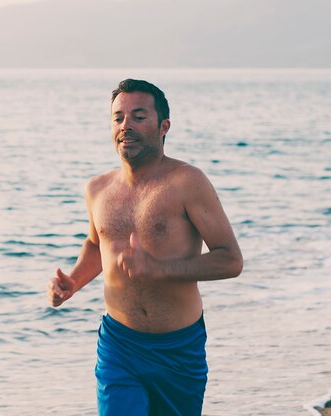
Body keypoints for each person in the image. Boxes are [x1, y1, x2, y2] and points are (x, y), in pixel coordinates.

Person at [46, 79, 243, 416]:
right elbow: (98, 244)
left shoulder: (187, 182)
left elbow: (230, 260)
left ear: (164, 126)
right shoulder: (97, 188)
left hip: (178, 348)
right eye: (118, 117)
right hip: (119, 344)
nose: (126, 126)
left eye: (139, 116)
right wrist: (73, 282)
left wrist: (161, 269)